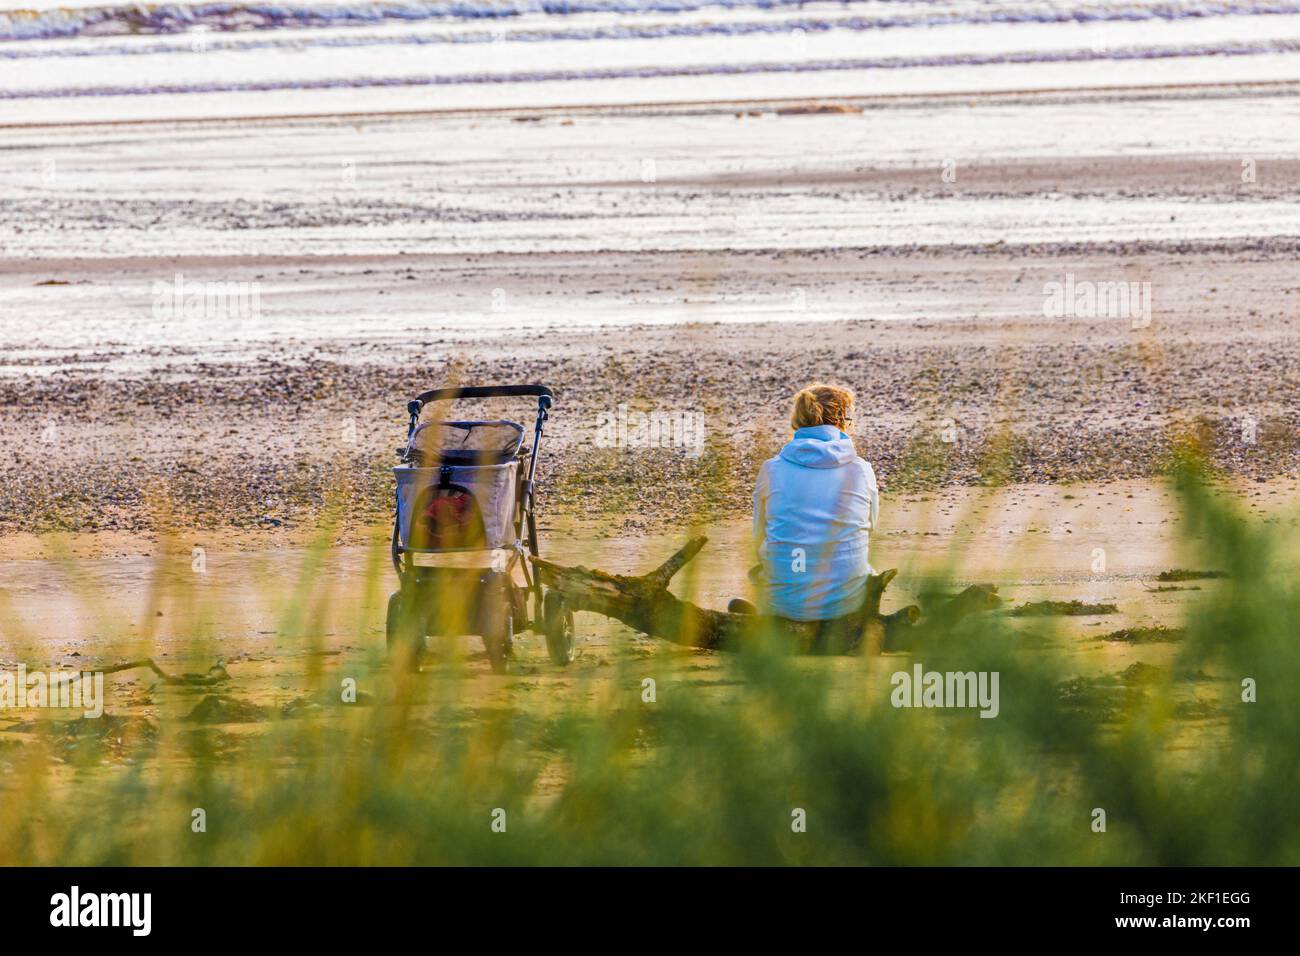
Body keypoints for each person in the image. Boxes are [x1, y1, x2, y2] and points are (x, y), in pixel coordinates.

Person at [732, 383, 880, 627]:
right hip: (847, 604)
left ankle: (769, 615)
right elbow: (870, 528)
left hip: (785, 602)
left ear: (798, 421)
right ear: (843, 421)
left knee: (766, 566)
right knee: (863, 566)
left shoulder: (772, 470)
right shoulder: (861, 471)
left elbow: (759, 537)